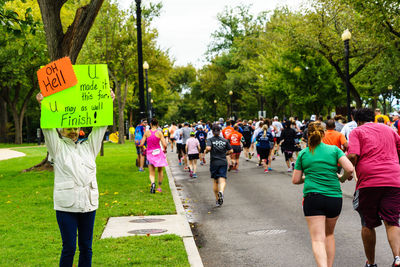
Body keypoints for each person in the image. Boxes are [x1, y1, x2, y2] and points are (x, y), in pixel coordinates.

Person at [36, 90, 115, 267]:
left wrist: (107, 102)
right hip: (66, 206)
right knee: (69, 247)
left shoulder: (89, 147)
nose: (73, 131)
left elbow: (101, 126)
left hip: (88, 204)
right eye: (68, 127)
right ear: (60, 130)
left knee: (86, 247)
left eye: (76, 127)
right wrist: (43, 106)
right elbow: (47, 129)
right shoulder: (57, 147)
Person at [292, 122, 354, 267]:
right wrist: (342, 178)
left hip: (312, 197)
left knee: (317, 239)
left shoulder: (303, 153)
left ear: (307, 136)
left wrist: (307, 177)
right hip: (334, 197)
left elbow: (295, 180)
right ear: (323, 134)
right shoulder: (334, 150)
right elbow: (350, 169)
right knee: (329, 235)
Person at [347, 108, 400, 267]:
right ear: (374, 117)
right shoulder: (390, 130)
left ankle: (371, 263)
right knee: (392, 221)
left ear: (357, 120)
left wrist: (349, 170)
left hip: (369, 181)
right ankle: (398, 258)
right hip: (393, 179)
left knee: (367, 223)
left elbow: (353, 155)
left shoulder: (357, 132)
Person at [206, 125, 233, 207]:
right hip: (223, 162)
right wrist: (226, 153)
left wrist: (206, 151)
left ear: (212, 132)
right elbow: (231, 150)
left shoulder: (210, 140)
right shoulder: (225, 140)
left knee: (215, 181)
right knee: (222, 179)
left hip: (214, 162)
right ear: (220, 131)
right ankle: (221, 191)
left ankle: (217, 199)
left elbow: (208, 148)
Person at [139, 118, 168, 193]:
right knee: (160, 170)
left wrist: (143, 148)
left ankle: (153, 183)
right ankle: (159, 187)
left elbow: (141, 144)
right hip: (158, 153)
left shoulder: (147, 133)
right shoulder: (159, 133)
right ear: (157, 125)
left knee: (151, 172)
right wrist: (164, 149)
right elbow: (164, 144)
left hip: (150, 153)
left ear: (150, 124)